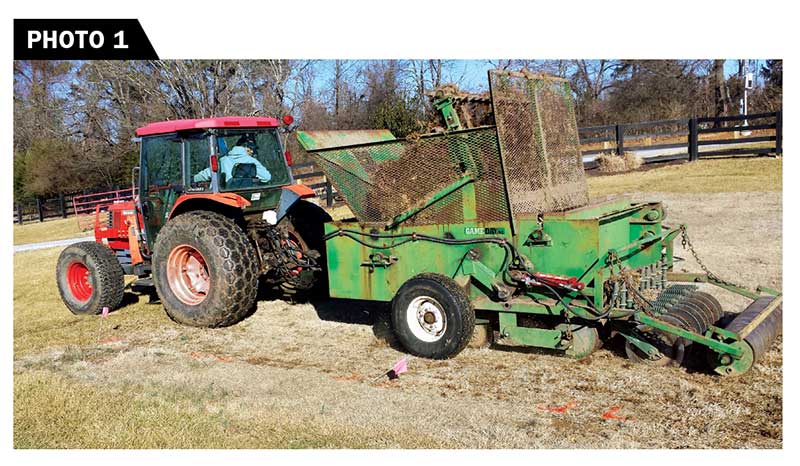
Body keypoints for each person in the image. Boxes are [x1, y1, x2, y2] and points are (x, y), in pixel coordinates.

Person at [194, 135, 271, 184]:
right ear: (247, 148)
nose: (252, 152)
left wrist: (192, 180)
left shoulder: (223, 160)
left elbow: (205, 175)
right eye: (252, 149)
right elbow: (267, 177)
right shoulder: (251, 161)